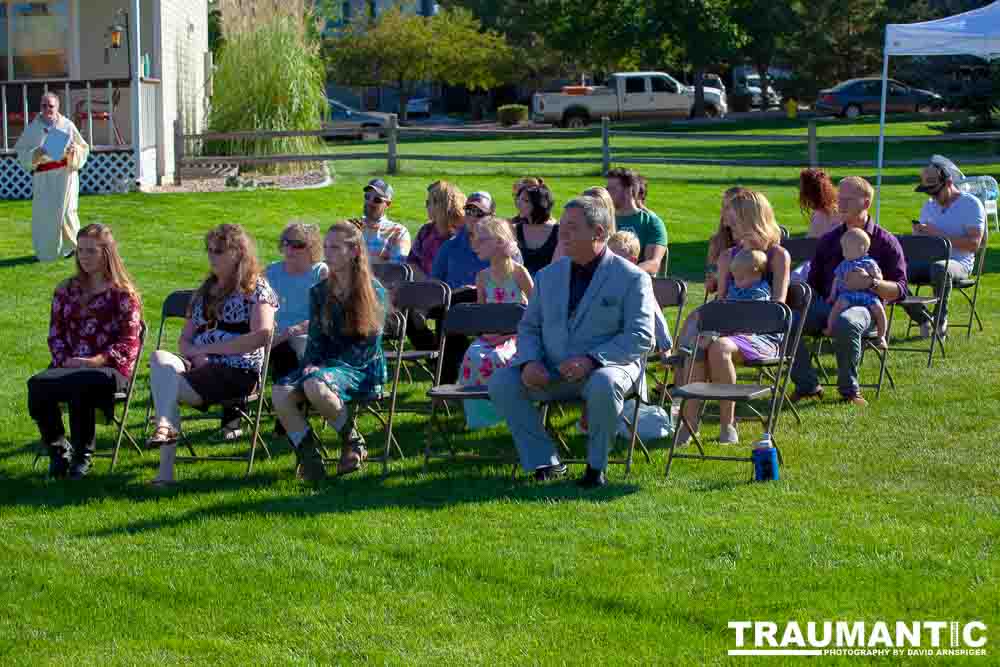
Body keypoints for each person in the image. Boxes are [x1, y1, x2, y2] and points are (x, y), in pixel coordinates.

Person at [488, 196, 657, 489]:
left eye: (572, 228)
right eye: (562, 226)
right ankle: (546, 462)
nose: (562, 234)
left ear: (599, 233)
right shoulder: (547, 277)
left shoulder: (632, 278)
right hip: (554, 367)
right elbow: (529, 327)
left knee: (604, 383)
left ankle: (596, 468)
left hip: (609, 368)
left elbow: (642, 336)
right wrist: (529, 361)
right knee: (502, 381)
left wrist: (592, 360)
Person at [147, 224, 278, 486]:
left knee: (165, 387)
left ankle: (165, 471)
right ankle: (164, 428)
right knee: (160, 358)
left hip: (237, 370)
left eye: (219, 251)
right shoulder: (205, 291)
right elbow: (185, 339)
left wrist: (208, 350)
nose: (212, 256)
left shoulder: (256, 290)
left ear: (238, 254)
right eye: (209, 251)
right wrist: (196, 357)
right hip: (200, 365)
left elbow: (262, 335)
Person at [271, 221, 388, 481]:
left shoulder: (373, 292)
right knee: (280, 392)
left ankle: (353, 441)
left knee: (314, 385)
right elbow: (315, 340)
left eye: (335, 247)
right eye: (326, 247)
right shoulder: (319, 292)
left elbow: (366, 349)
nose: (327, 253)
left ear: (355, 251)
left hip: (361, 368)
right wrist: (313, 362)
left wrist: (322, 368)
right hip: (323, 368)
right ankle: (309, 457)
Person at [26, 224, 142, 479]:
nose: (84, 257)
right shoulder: (65, 290)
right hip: (69, 365)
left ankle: (83, 456)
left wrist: (94, 361)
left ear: (107, 253)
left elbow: (129, 343)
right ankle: (58, 450)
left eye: (92, 251)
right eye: (80, 251)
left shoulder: (123, 295)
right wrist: (65, 361)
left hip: (108, 369)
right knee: (36, 385)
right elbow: (55, 334)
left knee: (83, 384)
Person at [677, 190, 790, 445]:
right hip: (727, 331)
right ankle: (689, 423)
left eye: (735, 221)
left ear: (752, 220)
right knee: (701, 345)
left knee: (719, 347)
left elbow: (778, 308)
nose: (730, 226)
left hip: (763, 334)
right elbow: (721, 303)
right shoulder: (728, 257)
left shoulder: (778, 255)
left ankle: (728, 424)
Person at [790, 176, 908, 407]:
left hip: (866, 308)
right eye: (838, 198)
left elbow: (901, 290)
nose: (840, 204)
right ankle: (807, 385)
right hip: (828, 303)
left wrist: (872, 284)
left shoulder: (885, 242)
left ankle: (849, 390)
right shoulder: (829, 240)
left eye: (848, 199)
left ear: (866, 203)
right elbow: (812, 282)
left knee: (848, 321)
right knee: (788, 321)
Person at [459, 216, 533, 429]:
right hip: (491, 336)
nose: (475, 244)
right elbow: (483, 313)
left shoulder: (518, 273)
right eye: (475, 239)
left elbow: (537, 305)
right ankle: (481, 418)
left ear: (500, 242)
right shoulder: (482, 277)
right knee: (471, 357)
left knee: (499, 358)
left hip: (516, 336)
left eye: (482, 240)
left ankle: (506, 410)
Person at [903, 160, 986, 339]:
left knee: (940, 268)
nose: (932, 197)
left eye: (935, 192)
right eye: (928, 192)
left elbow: (974, 244)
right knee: (892, 271)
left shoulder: (971, 204)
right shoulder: (929, 206)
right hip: (927, 261)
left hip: (958, 263)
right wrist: (919, 235)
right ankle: (924, 319)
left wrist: (938, 235)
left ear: (948, 183)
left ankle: (940, 322)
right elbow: (926, 240)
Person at [431, 190, 501, 383]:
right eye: (468, 210)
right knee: (446, 310)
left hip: (492, 307)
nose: (472, 216)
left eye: (479, 212)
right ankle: (447, 382)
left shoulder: (502, 245)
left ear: (491, 217)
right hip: (456, 308)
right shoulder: (450, 246)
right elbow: (435, 283)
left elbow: (513, 278)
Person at [14, 92, 90, 262]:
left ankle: (73, 248)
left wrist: (73, 151)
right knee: (47, 215)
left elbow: (83, 148)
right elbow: (21, 152)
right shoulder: (33, 128)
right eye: (44, 106)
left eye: (51, 106)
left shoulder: (67, 125)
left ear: (57, 107)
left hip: (66, 174)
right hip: (45, 178)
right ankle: (48, 252)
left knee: (68, 212)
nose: (47, 109)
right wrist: (38, 153)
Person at [265, 222, 329, 381]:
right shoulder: (271, 272)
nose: (289, 249)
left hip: (307, 335)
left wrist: (292, 331)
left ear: (312, 247)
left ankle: (289, 392)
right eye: (286, 243)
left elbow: (326, 316)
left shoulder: (321, 273)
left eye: (297, 245)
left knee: (288, 347)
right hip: (273, 336)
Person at [825, 229, 888, 349]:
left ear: (862, 248)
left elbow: (879, 279)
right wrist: (832, 295)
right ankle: (830, 328)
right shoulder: (844, 263)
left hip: (867, 295)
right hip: (848, 294)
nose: (843, 253)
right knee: (837, 307)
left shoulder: (870, 263)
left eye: (846, 249)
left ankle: (881, 336)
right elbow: (837, 279)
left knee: (879, 310)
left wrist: (875, 275)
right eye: (843, 249)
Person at [606, 168, 667, 275]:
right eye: (607, 189)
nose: (607, 193)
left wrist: (624, 272)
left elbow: (653, 264)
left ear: (628, 191)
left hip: (635, 283)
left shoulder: (651, 222)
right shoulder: (603, 219)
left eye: (612, 189)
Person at [407, 180, 461, 280]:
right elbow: (412, 263)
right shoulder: (426, 231)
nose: (426, 206)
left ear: (441, 205)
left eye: (428, 202)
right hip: (426, 288)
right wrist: (428, 284)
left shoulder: (462, 235)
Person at [705, 186, 749, 295]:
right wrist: (715, 278)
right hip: (725, 301)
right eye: (723, 206)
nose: (722, 211)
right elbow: (710, 287)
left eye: (728, 207)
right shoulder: (717, 242)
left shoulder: (755, 244)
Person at [513, 183, 560, 275]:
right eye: (519, 199)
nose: (518, 203)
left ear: (539, 204)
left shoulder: (558, 231)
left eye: (525, 200)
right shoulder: (514, 229)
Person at [361, 178, 411, 265]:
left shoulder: (398, 232)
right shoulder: (349, 227)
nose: (370, 202)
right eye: (367, 197)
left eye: (377, 200)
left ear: (387, 204)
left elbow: (397, 270)